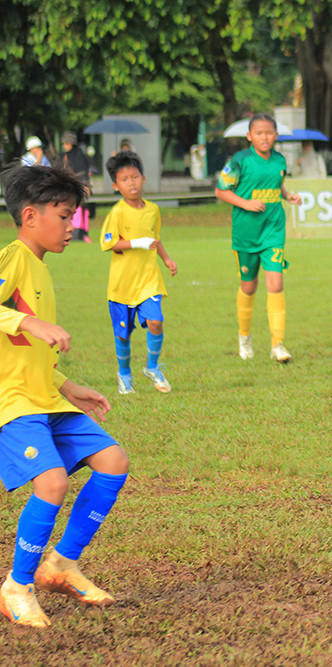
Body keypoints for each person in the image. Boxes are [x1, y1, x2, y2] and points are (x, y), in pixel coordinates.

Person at [0, 164, 130, 628]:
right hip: (13, 403)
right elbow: (17, 327)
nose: (73, 225)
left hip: (46, 397)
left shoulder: (40, 268)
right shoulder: (14, 256)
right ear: (30, 215)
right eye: (64, 215)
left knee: (113, 460)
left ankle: (59, 564)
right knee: (52, 483)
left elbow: (26, 353)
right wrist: (29, 321)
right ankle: (16, 586)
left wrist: (69, 386)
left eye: (74, 215)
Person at [214, 113, 302, 363]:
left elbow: (277, 184)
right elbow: (220, 190)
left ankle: (278, 345)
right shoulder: (239, 161)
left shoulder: (280, 160)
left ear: (276, 135)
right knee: (248, 286)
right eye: (260, 133)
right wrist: (246, 203)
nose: (265, 137)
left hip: (273, 230)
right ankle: (244, 336)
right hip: (246, 233)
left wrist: (288, 196)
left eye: (270, 132)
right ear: (250, 136)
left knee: (276, 284)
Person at [99, 151, 177, 394]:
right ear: (115, 185)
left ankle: (152, 367)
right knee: (123, 335)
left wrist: (166, 258)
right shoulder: (118, 213)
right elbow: (107, 243)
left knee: (156, 321)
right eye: (124, 179)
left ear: (143, 178)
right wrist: (136, 243)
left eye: (134, 177)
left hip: (148, 281)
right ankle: (124, 375)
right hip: (122, 285)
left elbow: (155, 238)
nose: (131, 183)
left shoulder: (153, 209)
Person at [61, 132, 92, 243]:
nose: (65, 146)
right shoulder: (63, 156)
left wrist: (85, 186)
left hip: (78, 188)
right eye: (64, 143)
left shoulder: (79, 156)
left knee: (81, 211)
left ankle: (82, 233)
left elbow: (83, 172)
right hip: (66, 189)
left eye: (67, 143)